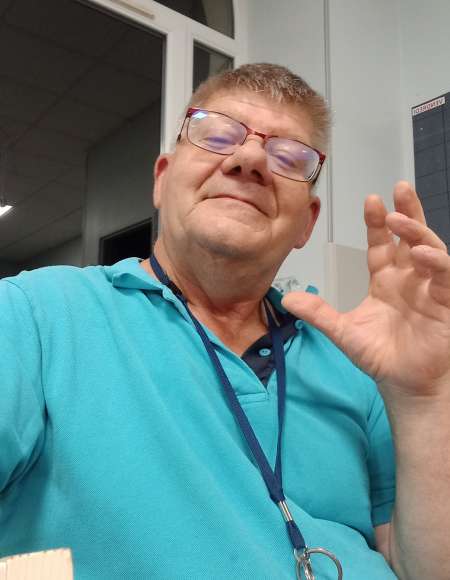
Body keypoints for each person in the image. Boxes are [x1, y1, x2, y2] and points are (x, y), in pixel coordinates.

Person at [1, 63, 449, 580]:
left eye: (289, 157)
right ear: (162, 179)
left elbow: (424, 567)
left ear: (306, 223)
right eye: (216, 135)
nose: (250, 159)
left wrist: (426, 396)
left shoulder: (358, 366)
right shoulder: (35, 316)